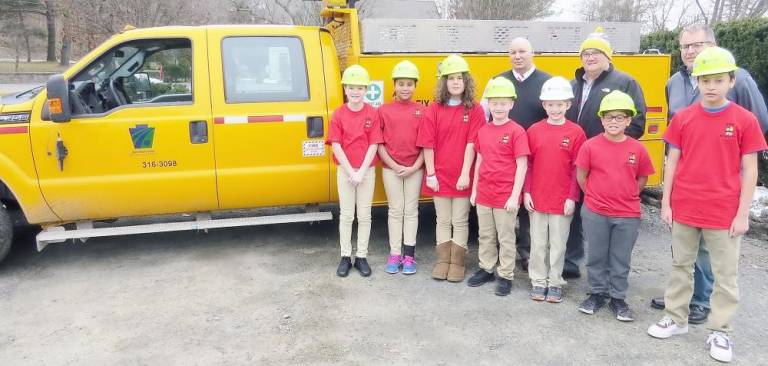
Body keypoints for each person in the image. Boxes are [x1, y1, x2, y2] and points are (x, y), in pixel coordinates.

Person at [647, 47, 767, 363]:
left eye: (718, 80)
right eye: (705, 80)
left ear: (731, 81)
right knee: (680, 267)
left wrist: (743, 215)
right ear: (697, 82)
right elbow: (671, 162)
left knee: (725, 275)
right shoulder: (684, 118)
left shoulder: (745, 120)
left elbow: (751, 170)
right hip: (685, 207)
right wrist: (666, 203)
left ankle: (721, 331)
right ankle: (676, 318)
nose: (711, 87)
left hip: (724, 212)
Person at [563, 27, 647, 280]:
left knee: (606, 216)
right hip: (575, 158)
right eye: (585, 53)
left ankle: (610, 272)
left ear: (608, 57)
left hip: (606, 162)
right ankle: (570, 261)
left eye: (596, 53)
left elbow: (637, 122)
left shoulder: (625, 82)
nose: (590, 57)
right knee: (575, 210)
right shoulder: (573, 83)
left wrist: (612, 148)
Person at [575, 90, 655, 322]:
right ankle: (596, 294)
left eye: (620, 117)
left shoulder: (637, 149)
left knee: (620, 258)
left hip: (627, 214)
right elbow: (582, 176)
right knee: (596, 256)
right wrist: (594, 195)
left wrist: (627, 195)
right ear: (601, 119)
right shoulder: (590, 146)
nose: (614, 122)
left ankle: (618, 298)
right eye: (609, 117)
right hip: (595, 211)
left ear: (629, 120)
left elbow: (641, 179)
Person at [481, 37, 551, 271]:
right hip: (501, 157)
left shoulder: (546, 82)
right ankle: (498, 258)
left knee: (529, 205)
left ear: (533, 53)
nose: (517, 56)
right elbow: (484, 115)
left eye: (522, 51)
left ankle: (527, 253)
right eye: (513, 52)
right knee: (505, 209)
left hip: (536, 156)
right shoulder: (497, 81)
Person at [417, 54, 485, 283]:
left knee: (460, 220)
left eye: (460, 78)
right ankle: (442, 261)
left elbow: (472, 143)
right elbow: (428, 143)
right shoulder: (434, 109)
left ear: (466, 82)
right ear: (444, 82)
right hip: (439, 174)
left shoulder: (474, 110)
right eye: (451, 78)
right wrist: (432, 174)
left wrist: (466, 173)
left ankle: (457, 262)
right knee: (443, 220)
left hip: (462, 175)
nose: (456, 82)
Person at [524, 76, 586, 303]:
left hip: (562, 200)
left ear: (568, 105)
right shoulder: (534, 130)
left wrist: (572, 197)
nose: (555, 109)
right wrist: (527, 192)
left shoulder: (576, 132)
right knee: (538, 243)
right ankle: (538, 281)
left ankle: (555, 281)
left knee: (559, 244)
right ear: (544, 105)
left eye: (560, 104)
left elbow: (576, 169)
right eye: (551, 104)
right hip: (538, 198)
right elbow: (528, 164)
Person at [468, 77, 529, 296]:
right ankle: (486, 268)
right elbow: (479, 161)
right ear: (489, 104)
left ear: (512, 104)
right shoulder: (484, 130)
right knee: (485, 235)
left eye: (504, 103)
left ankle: (505, 274)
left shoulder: (517, 131)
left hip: (505, 195)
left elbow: (522, 165)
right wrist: (474, 190)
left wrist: (515, 196)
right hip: (484, 193)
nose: (499, 107)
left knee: (506, 237)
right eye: (495, 103)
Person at [327, 64, 383, 277]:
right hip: (345, 171)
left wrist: (361, 172)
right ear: (345, 89)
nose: (355, 92)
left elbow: (374, 144)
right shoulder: (339, 114)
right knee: (347, 215)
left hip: (367, 171)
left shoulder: (372, 113)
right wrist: (351, 171)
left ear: (366, 90)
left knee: (365, 215)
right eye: (351, 87)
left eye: (360, 88)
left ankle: (361, 256)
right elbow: (336, 145)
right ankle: (344, 256)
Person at [378, 60, 425, 275]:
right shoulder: (384, 110)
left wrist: (415, 166)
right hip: (391, 169)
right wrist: (394, 165)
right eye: (401, 83)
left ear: (415, 86)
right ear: (394, 85)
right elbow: (378, 144)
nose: (405, 88)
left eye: (409, 84)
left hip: (415, 168)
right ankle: (395, 253)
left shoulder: (422, 110)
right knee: (396, 211)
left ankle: (409, 256)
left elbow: (427, 144)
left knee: (411, 210)